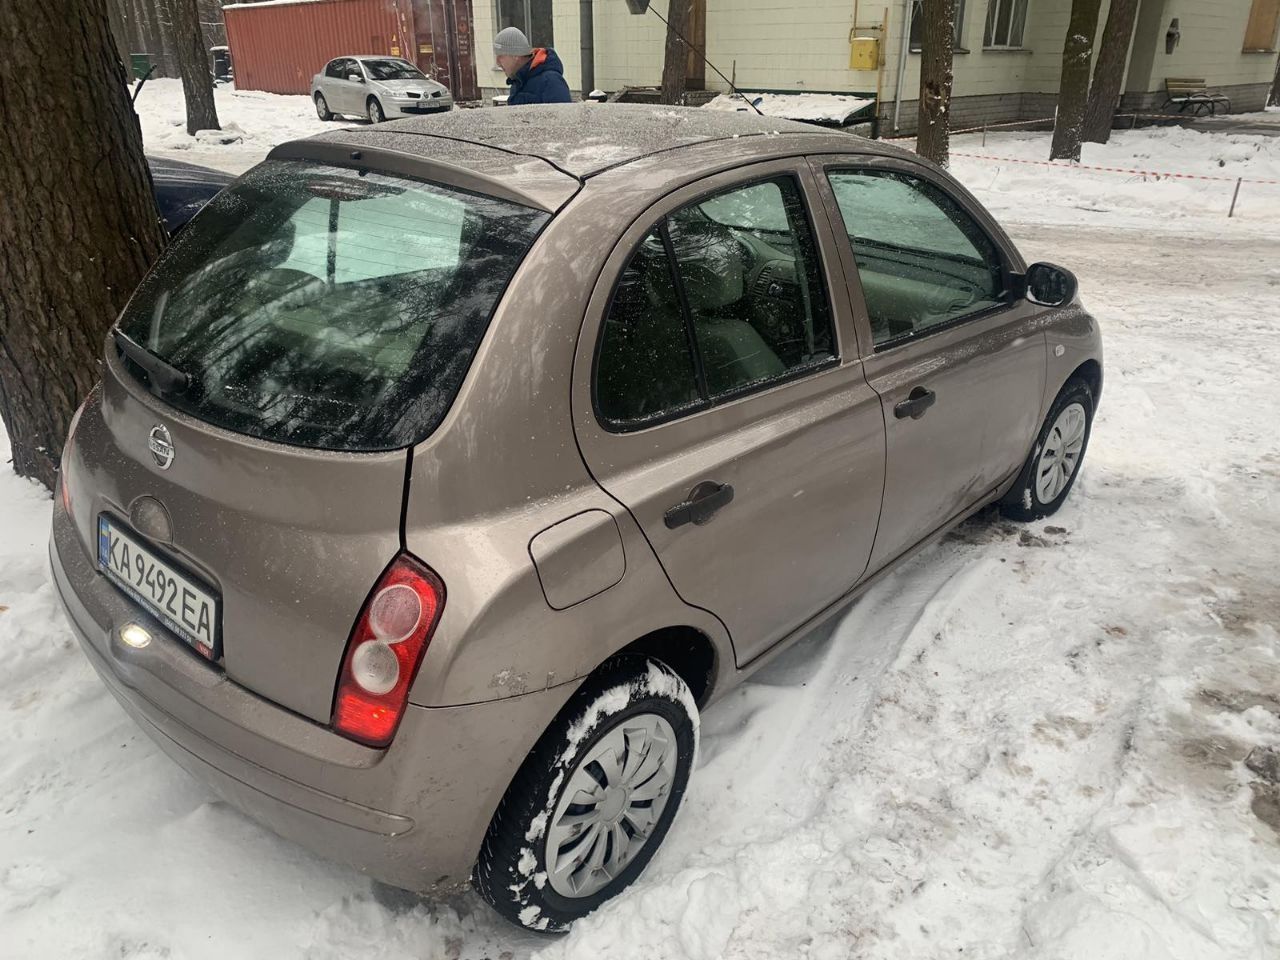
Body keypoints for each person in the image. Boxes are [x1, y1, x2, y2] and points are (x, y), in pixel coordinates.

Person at [493, 27, 572, 105]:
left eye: (500, 56)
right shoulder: (517, 83)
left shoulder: (550, 82)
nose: (497, 63)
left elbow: (563, 116)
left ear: (515, 55)